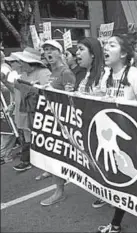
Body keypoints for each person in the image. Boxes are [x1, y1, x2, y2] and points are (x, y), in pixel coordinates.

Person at [96, 34, 137, 233]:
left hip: (132, 138)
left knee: (131, 179)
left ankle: (116, 224)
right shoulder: (105, 75)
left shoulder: (135, 75)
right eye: (105, 45)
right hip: (112, 139)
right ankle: (117, 222)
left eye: (112, 45)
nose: (106, 48)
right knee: (121, 180)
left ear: (124, 53)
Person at [37, 39, 76, 206]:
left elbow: (73, 100)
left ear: (60, 52)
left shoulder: (65, 72)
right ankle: (59, 191)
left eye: (51, 49)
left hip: (65, 123)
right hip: (52, 121)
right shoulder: (51, 72)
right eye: (45, 50)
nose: (48, 52)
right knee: (53, 156)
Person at [1, 48, 51, 172]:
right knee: (28, 135)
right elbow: (17, 93)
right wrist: (13, 104)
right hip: (24, 109)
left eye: (22, 61)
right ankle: (32, 160)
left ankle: (45, 165)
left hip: (38, 112)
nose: (20, 64)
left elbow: (46, 92)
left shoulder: (43, 72)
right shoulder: (23, 74)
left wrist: (31, 88)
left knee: (43, 137)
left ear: (31, 63)